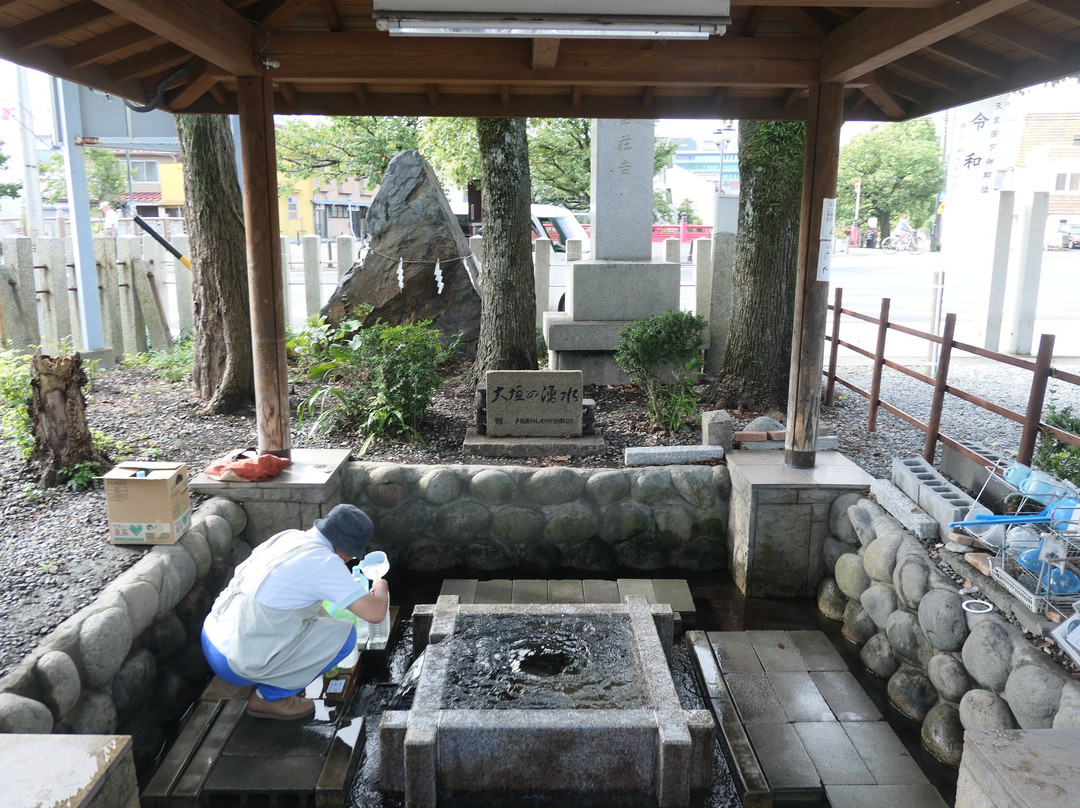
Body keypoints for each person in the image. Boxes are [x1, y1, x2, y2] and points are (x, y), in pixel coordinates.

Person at [201, 504, 389, 720]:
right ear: (345, 550)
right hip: (233, 662)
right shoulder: (325, 563)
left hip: (213, 632)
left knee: (316, 614)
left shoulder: (289, 537)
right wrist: (381, 586)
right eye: (352, 555)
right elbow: (375, 613)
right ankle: (268, 698)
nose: (350, 560)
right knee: (345, 636)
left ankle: (275, 675)